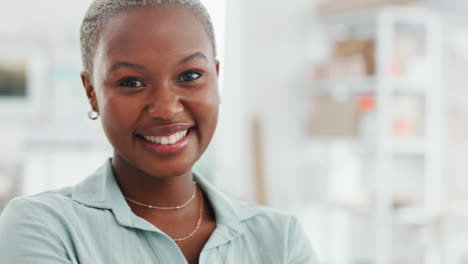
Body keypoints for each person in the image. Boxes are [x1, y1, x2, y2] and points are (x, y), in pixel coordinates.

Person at [0, 0, 318, 263]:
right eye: (131, 82)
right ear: (92, 92)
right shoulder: (43, 227)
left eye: (191, 75)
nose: (166, 108)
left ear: (216, 78)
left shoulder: (280, 239)